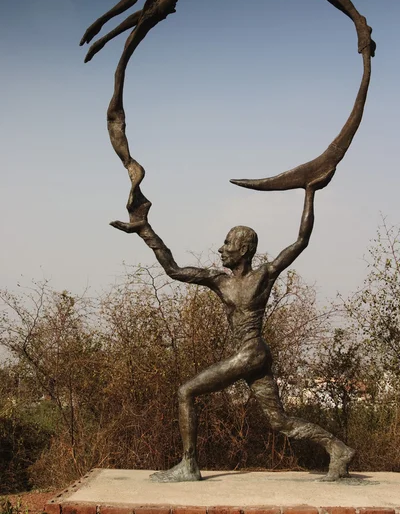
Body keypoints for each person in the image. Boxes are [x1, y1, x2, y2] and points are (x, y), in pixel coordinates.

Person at [111, 178, 354, 482]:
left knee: (186, 392)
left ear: (244, 249)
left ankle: (189, 465)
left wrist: (309, 192)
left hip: (251, 353)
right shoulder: (218, 280)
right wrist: (145, 230)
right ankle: (338, 448)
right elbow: (173, 270)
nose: (220, 249)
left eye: (227, 244)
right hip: (253, 358)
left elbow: (300, 241)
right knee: (281, 422)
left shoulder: (264, 275)